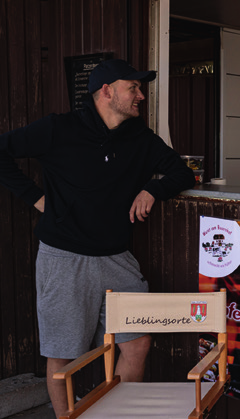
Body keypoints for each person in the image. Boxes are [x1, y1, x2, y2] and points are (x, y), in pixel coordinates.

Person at [0, 59, 195, 417]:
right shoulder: (60, 128)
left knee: (137, 345)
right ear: (106, 92)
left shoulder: (140, 137)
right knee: (63, 353)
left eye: (140, 88)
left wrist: (154, 188)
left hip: (117, 259)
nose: (140, 95)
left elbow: (183, 173)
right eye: (132, 88)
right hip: (64, 258)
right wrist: (36, 199)